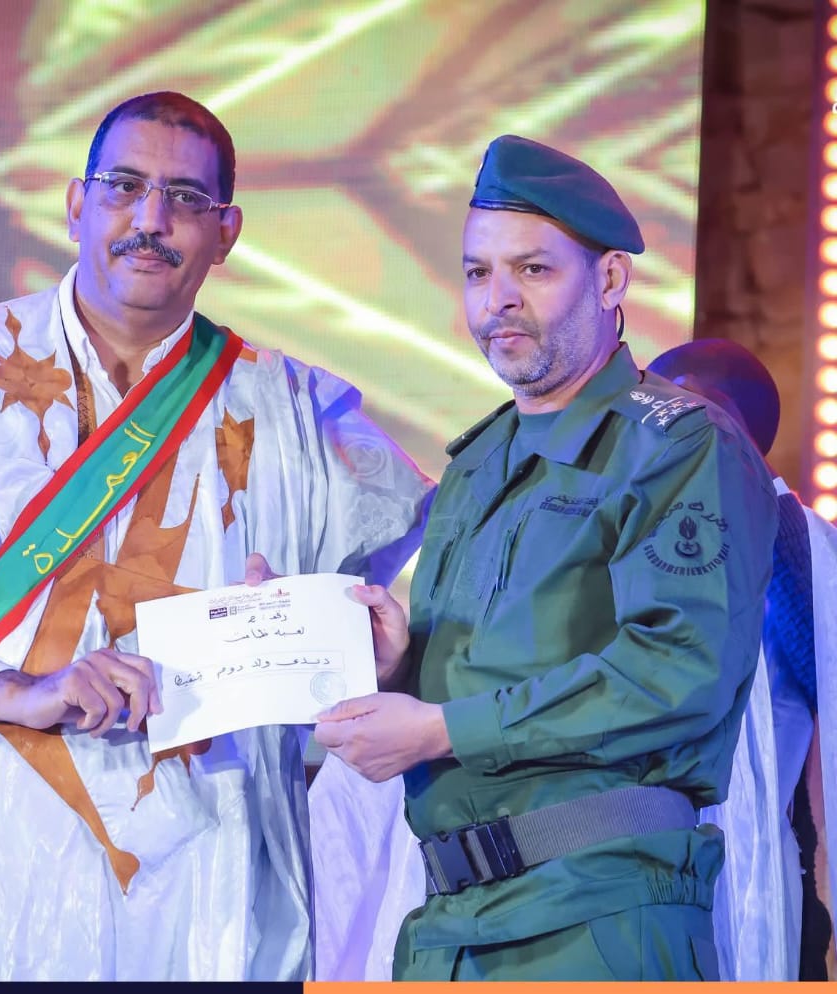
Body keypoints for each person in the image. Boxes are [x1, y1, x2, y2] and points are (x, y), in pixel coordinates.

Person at [0, 91, 432, 981]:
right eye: (124, 186)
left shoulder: (301, 415)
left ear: (227, 232)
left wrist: (374, 654)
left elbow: (413, 609)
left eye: (186, 198)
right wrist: (8, 689)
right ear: (77, 204)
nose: (150, 219)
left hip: (215, 867)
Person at [311, 134, 779, 981]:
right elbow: (490, 671)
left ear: (610, 280)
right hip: (449, 924)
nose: (498, 300)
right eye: (478, 272)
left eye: (533, 270)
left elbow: (678, 672)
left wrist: (440, 728)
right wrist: (397, 666)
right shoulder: (476, 463)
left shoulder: (677, 446)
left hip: (596, 915)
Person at [648, 339, 837, 980]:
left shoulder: (796, 541)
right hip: (622, 873)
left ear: (729, 419)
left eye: (670, 404)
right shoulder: (631, 530)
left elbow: (826, 689)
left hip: (745, 880)